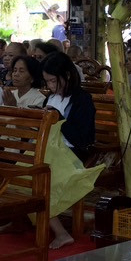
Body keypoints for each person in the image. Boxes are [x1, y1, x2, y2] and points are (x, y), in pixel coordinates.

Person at [40, 52, 104, 249]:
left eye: (53, 81)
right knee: (22, 174)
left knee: (39, 178)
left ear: (66, 76)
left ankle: (60, 232)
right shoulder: (50, 98)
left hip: (72, 154)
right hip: (50, 150)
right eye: (47, 81)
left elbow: (83, 138)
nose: (50, 86)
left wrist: (59, 119)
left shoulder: (82, 100)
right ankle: (20, 220)